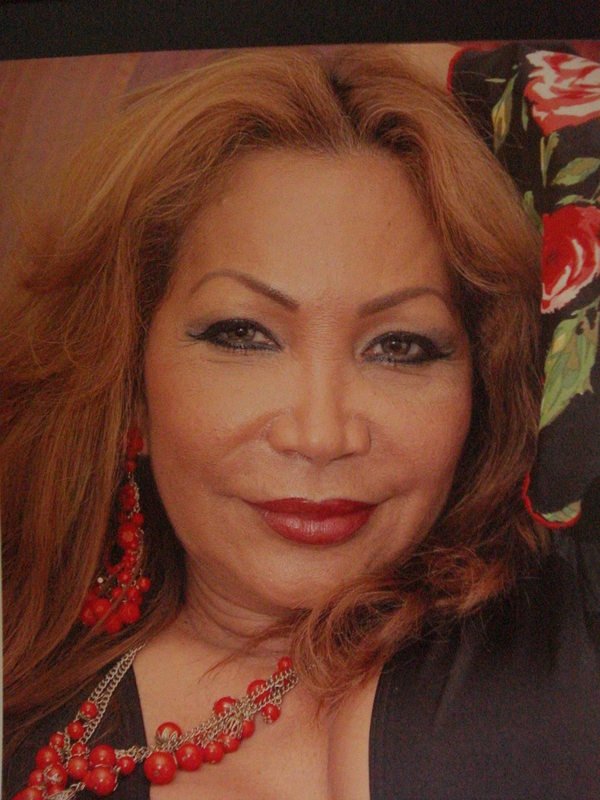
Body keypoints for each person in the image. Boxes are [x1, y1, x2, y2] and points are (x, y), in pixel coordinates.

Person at [2, 42, 599, 800]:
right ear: (131, 387)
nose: (320, 436)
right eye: (243, 336)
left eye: (400, 346)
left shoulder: (568, 630)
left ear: (481, 391)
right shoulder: (22, 689)